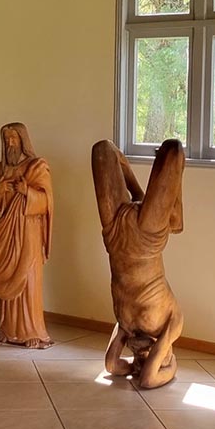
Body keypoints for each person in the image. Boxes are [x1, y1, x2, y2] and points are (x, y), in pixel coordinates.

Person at [90, 138, 185, 388]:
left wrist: (131, 361)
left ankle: (147, 200)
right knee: (172, 150)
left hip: (115, 237)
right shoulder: (171, 326)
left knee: (102, 150)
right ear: (164, 355)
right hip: (147, 242)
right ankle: (174, 217)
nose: (143, 358)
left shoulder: (127, 325)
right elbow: (147, 381)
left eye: (139, 360)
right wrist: (168, 364)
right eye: (151, 359)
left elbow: (111, 365)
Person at [0, 123, 54, 348]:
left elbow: (47, 203)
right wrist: (0, 191)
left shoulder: (37, 167)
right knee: (8, 276)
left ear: (23, 140)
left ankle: (32, 331)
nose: (10, 144)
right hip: (8, 233)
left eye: (14, 139)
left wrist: (28, 193)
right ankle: (7, 329)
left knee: (29, 279)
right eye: (6, 139)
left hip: (29, 231)